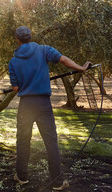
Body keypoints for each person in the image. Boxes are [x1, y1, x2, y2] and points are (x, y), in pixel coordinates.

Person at [9, 26, 90, 191]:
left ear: (17, 40)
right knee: (51, 141)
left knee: (23, 141)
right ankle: (58, 182)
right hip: (43, 104)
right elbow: (63, 60)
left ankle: (22, 176)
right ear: (30, 37)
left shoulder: (13, 61)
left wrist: (25, 83)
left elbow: (15, 88)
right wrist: (81, 68)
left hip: (26, 105)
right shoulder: (44, 50)